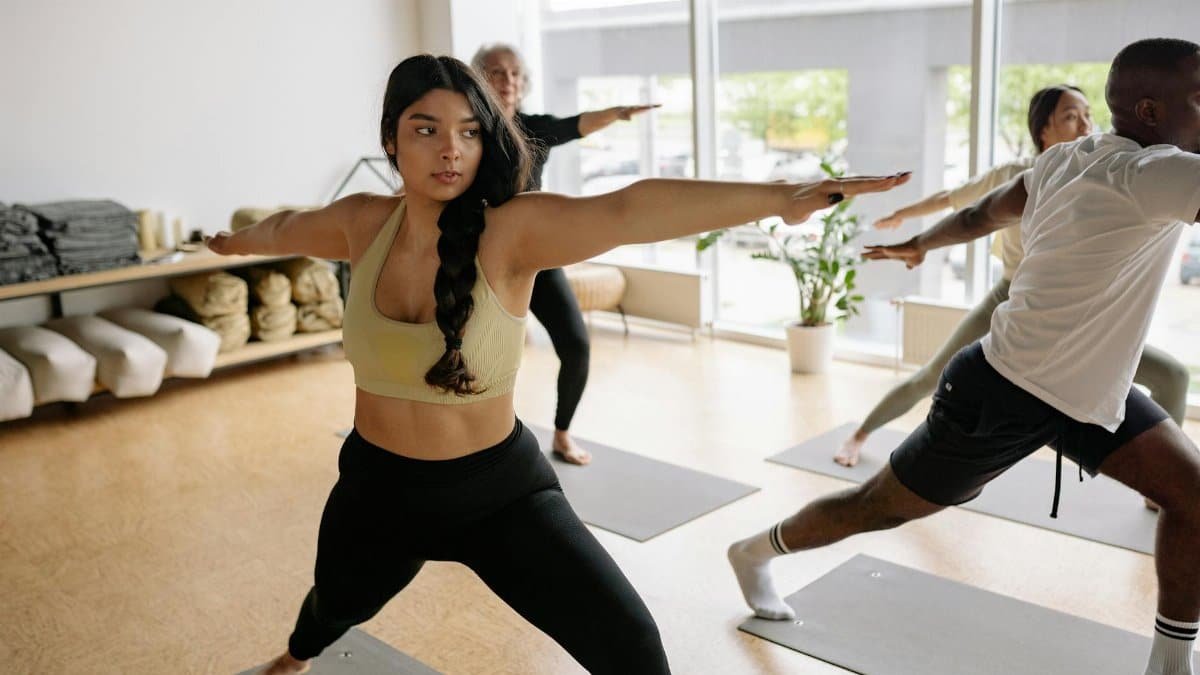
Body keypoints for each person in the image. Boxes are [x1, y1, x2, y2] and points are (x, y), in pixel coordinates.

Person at [207, 54, 909, 675]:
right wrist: (231, 243)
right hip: (377, 490)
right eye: (426, 129)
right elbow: (285, 227)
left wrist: (779, 198)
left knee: (631, 642)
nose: (451, 149)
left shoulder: (513, 231)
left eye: (469, 131)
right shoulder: (363, 222)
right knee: (333, 606)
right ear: (390, 138)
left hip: (497, 495)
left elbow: (630, 208)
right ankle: (295, 657)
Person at [728, 38, 1200, 675]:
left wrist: (920, 244)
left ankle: (1170, 665)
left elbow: (981, 214)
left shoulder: (1066, 161)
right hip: (1002, 392)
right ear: (1150, 110)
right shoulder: (1159, 173)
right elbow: (983, 211)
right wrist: (917, 243)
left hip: (1086, 394)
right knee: (876, 507)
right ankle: (756, 550)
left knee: (1192, 496)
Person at [835, 84, 1190, 478]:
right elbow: (959, 205)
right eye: (1070, 116)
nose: (1085, 125)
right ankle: (859, 435)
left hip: (1075, 314)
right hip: (1010, 298)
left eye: (1088, 114)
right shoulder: (1018, 174)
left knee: (1173, 376)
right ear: (1043, 130)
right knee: (931, 376)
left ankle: (1165, 485)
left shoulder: (1101, 171)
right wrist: (908, 225)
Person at [472, 42, 659, 465]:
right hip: (484, 260)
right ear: (480, 78)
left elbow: (576, 125)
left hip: (536, 256)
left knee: (576, 347)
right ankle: (475, 437)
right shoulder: (469, 130)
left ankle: (561, 434)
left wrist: (618, 112)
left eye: (515, 73)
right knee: (480, 354)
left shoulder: (534, 129)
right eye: (497, 72)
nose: (508, 80)